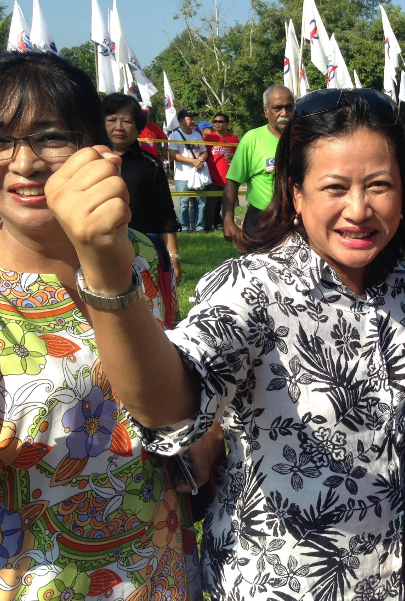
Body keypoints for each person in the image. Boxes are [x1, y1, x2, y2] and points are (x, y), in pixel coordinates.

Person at [46, 88, 405, 600]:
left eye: (379, 185)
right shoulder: (251, 288)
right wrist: (111, 283)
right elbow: (172, 401)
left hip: (394, 583)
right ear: (295, 192)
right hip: (275, 583)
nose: (358, 209)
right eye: (334, 187)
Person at [0, 51, 202, 601]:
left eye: (49, 137)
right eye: (2, 139)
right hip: (34, 582)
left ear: (94, 150)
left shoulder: (136, 254)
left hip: (156, 571)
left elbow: (171, 411)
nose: (24, 162)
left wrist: (205, 434)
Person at [102, 93, 182, 284]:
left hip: (143, 255)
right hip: (97, 253)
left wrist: (174, 258)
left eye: (127, 121)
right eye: (111, 120)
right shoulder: (87, 161)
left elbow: (165, 216)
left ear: (139, 127)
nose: (119, 127)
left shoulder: (150, 165)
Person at [222, 84, 294, 243]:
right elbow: (232, 181)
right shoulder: (252, 139)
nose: (284, 113)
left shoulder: (303, 139)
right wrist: (228, 221)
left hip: (296, 221)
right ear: (265, 111)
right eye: (277, 108)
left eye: (289, 107)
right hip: (261, 222)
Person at [169, 109, 208, 233]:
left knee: (201, 201)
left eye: (193, 118)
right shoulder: (174, 135)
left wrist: (200, 160)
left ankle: (199, 226)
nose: (192, 121)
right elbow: (173, 155)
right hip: (182, 175)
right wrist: (193, 161)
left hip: (198, 173)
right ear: (181, 120)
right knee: (184, 203)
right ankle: (184, 227)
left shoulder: (197, 135)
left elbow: (204, 151)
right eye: (189, 118)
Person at [204, 112, 239, 231]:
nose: (217, 124)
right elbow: (204, 155)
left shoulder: (233, 138)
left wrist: (233, 155)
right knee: (211, 204)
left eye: (220, 122)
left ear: (227, 124)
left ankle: (226, 225)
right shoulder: (209, 138)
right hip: (213, 177)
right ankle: (208, 227)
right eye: (215, 122)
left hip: (228, 178)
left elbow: (239, 156)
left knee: (227, 205)